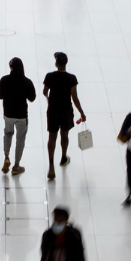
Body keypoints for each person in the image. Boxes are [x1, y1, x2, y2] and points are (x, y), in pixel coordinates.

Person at [42, 51, 86, 180]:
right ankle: (63, 156)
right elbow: (75, 98)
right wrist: (82, 112)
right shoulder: (71, 78)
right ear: (66, 63)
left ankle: (51, 165)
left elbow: (45, 92)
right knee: (64, 135)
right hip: (66, 110)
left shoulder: (49, 76)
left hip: (53, 110)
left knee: (52, 137)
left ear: (56, 63)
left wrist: (49, 99)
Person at [0, 57, 36, 175]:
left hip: (8, 114)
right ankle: (16, 166)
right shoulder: (27, 82)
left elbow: (0, 95)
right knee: (20, 139)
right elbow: (32, 98)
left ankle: (6, 157)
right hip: (21, 116)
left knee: (8, 134)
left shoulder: (4, 80)